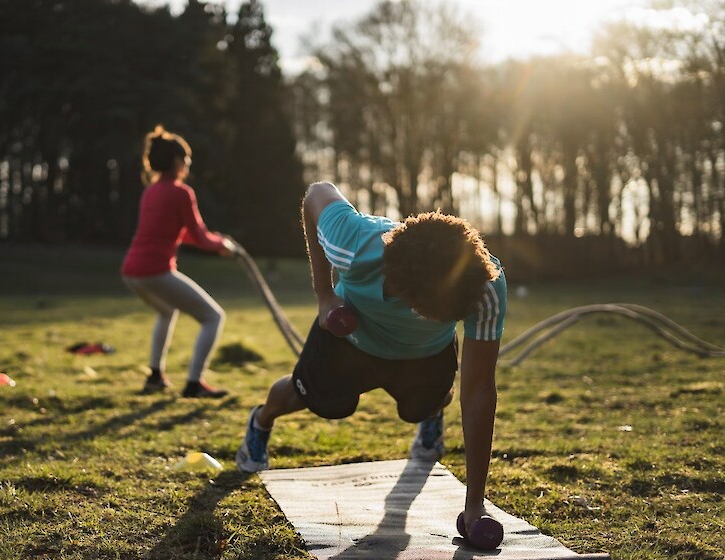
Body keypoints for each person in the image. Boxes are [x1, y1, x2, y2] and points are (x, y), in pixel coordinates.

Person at [236, 181, 507, 537]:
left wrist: (475, 505)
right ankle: (260, 422)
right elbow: (317, 194)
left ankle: (430, 415)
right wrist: (324, 295)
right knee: (313, 401)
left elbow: (478, 393)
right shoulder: (355, 242)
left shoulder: (483, 286)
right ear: (400, 287)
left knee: (423, 406)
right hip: (351, 340)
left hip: (425, 355)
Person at [121, 126, 236, 398]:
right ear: (175, 161)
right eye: (185, 158)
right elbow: (199, 236)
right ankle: (194, 383)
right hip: (154, 271)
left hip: (131, 271)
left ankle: (155, 376)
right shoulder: (181, 193)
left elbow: (181, 234)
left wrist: (215, 241)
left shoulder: (151, 191)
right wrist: (223, 245)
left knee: (166, 311)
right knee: (213, 316)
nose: (188, 163)